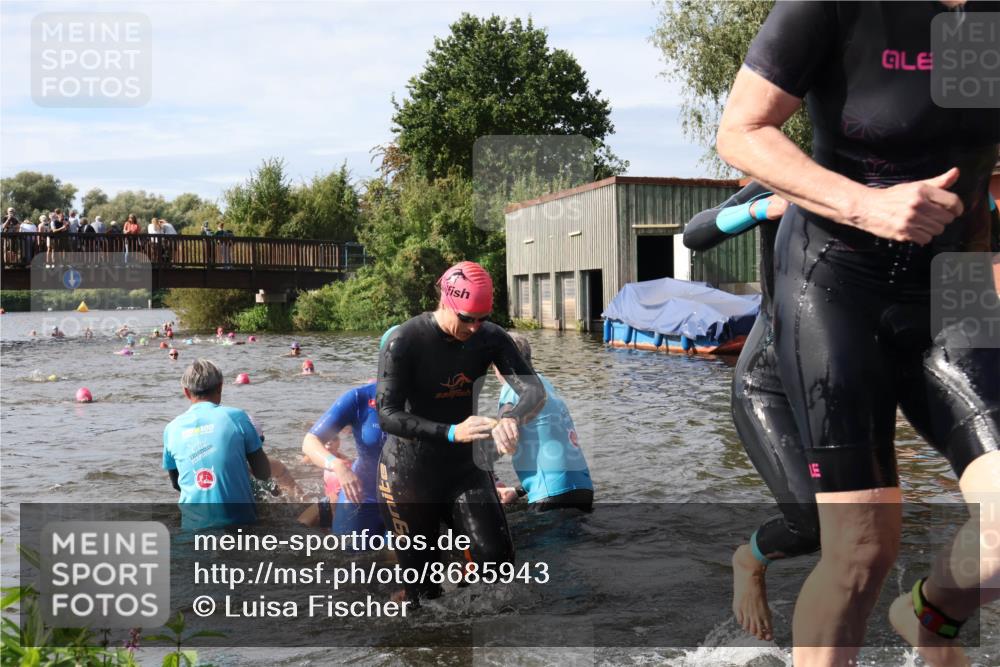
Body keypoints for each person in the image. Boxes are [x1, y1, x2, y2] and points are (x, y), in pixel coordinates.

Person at [716, 2, 1000, 664]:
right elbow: (741, 129)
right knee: (862, 550)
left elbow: (969, 144)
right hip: (835, 280)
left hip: (953, 288)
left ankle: (930, 614)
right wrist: (866, 203)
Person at [376, 261, 546, 604]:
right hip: (408, 473)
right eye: (467, 318)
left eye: (482, 318)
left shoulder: (490, 338)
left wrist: (513, 417)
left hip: (464, 469)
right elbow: (387, 414)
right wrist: (452, 431)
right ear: (447, 302)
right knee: (423, 595)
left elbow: (534, 391)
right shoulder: (404, 340)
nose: (474, 327)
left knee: (500, 574)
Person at [684, 182, 810, 641]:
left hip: (839, 379)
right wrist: (764, 208)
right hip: (770, 378)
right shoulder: (789, 174)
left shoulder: (923, 178)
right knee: (812, 521)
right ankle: (750, 559)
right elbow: (694, 234)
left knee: (864, 532)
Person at [302, 331, 396, 540]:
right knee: (349, 564)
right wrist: (337, 466)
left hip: (409, 501)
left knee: (408, 568)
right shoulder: (359, 398)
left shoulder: (431, 401)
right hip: (362, 494)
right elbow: (310, 442)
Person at [162, 359, 271, 530]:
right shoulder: (237, 417)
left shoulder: (172, 428)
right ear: (220, 387)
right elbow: (263, 472)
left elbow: (176, 483)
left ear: (186, 392)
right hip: (240, 524)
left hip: (192, 528)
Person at [494, 333, 594, 512]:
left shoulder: (511, 387)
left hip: (550, 494)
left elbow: (503, 428)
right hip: (583, 488)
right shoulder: (545, 385)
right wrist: (518, 491)